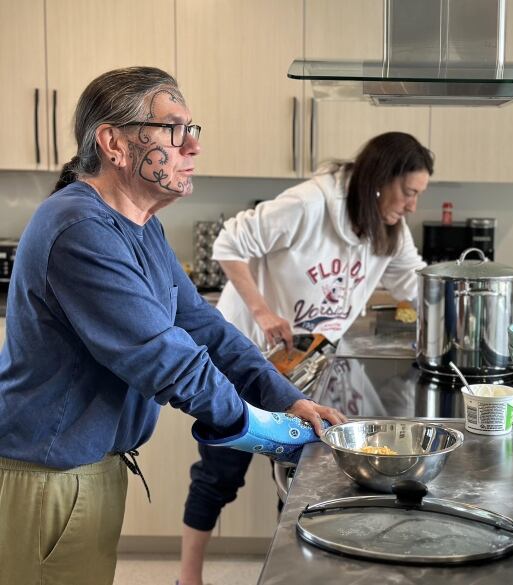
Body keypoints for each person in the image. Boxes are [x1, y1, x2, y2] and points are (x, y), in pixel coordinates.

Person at [0, 67, 345, 585]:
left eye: (193, 130)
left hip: (85, 470)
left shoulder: (141, 225)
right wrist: (262, 431)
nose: (192, 146)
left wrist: (284, 398)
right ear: (114, 143)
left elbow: (204, 327)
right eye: (173, 129)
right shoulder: (80, 230)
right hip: (48, 477)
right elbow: (165, 358)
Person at [178, 131, 433, 585]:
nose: (413, 205)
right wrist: (260, 309)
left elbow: (418, 286)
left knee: (302, 482)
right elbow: (229, 243)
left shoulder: (388, 227)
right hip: (244, 362)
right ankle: (189, 578)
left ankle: (294, 576)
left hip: (310, 370)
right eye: (409, 192)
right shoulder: (309, 203)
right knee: (219, 477)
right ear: (380, 179)